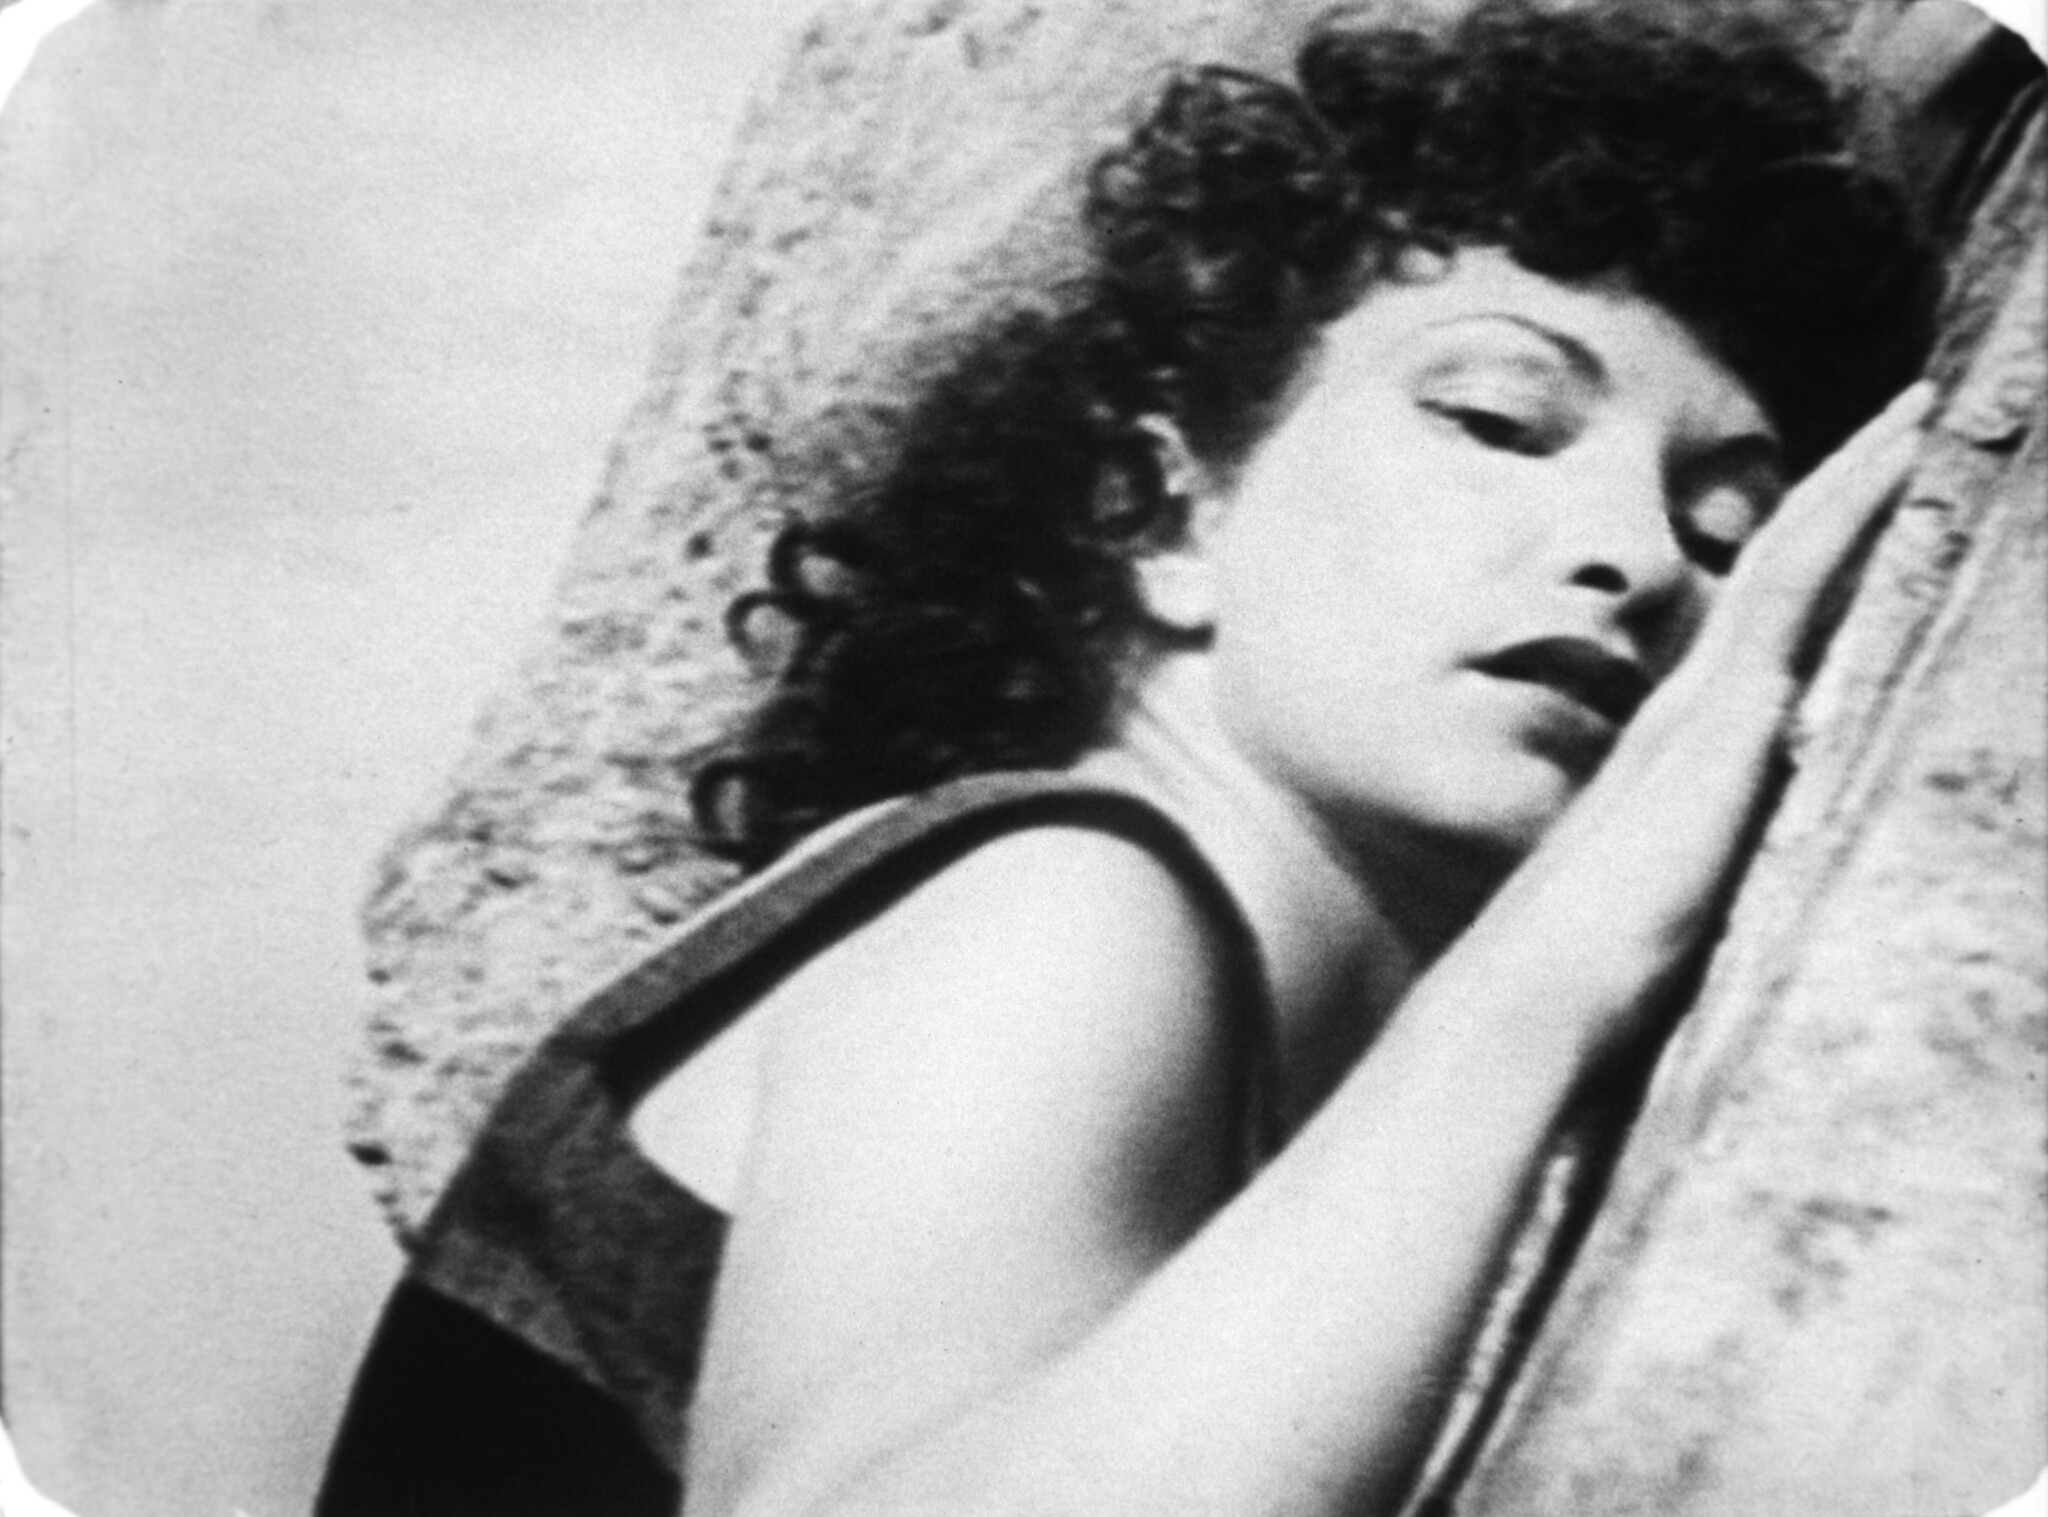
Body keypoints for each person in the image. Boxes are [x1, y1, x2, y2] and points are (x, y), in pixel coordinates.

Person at [317, 3, 1941, 1514]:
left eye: (1733, 524)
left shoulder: (1252, 1067)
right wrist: (1569, 955)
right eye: (1500, 423)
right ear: (1163, 513)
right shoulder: (1059, 896)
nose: (1641, 554)